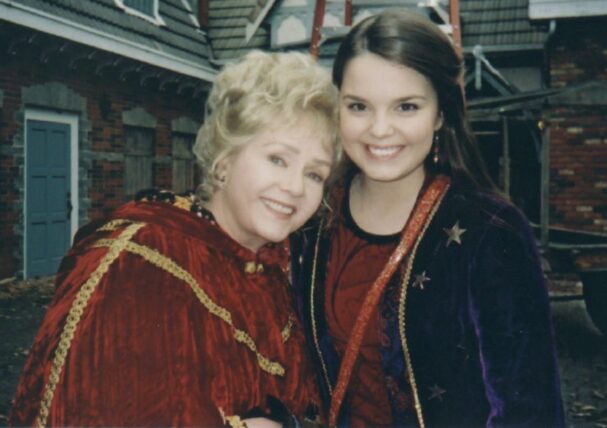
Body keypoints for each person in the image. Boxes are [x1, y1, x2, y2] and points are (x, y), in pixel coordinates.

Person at [10, 51, 339, 427]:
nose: (295, 187)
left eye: (315, 174)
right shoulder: (136, 262)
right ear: (224, 160)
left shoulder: (276, 273)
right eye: (278, 159)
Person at [291, 10, 565, 428]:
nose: (380, 130)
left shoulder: (490, 232)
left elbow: (530, 409)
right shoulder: (312, 219)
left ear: (440, 113)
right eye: (359, 106)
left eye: (406, 106)